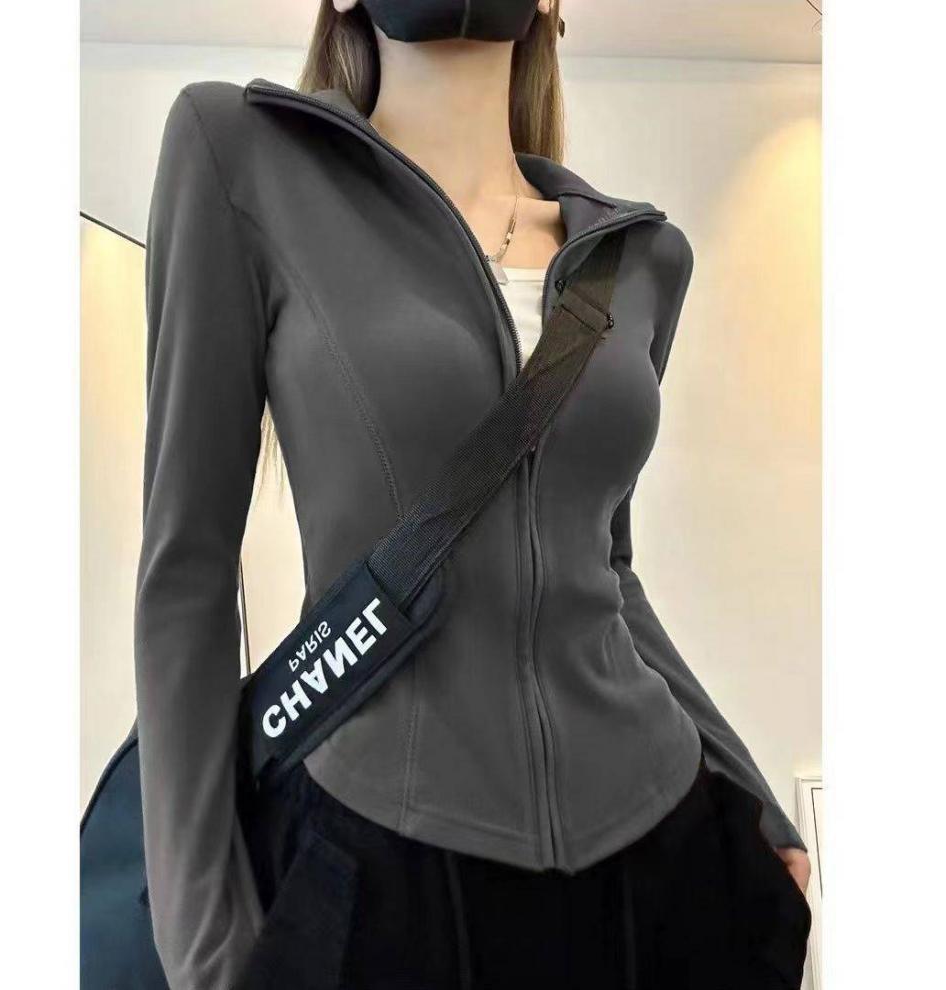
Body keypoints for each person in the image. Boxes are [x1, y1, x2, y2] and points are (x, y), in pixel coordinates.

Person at [134, 2, 812, 987]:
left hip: (657, 853)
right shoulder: (242, 158)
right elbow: (187, 574)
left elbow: (606, 571)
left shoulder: (640, 258)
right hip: (385, 860)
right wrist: (206, 955)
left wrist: (749, 791)